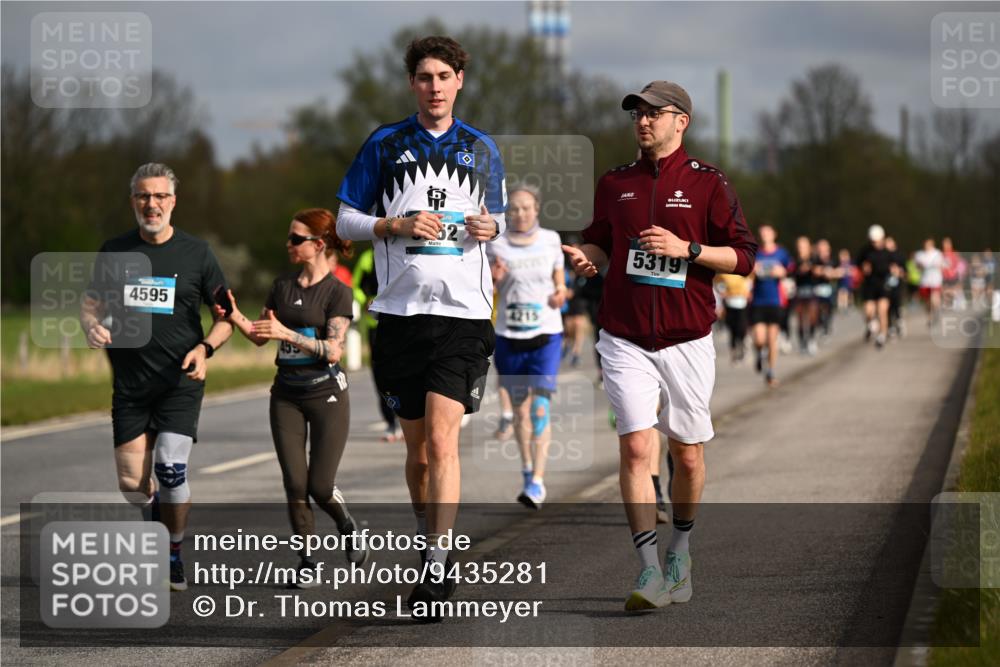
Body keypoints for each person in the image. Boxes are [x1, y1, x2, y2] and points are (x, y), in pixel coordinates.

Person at [563, 81, 757, 611]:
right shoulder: (615, 182)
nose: (643, 122)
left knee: (687, 455)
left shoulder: (708, 183)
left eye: (654, 113)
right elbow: (601, 241)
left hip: (686, 338)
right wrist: (587, 256)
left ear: (681, 121)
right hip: (624, 336)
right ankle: (648, 568)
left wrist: (687, 249)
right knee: (635, 447)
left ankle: (680, 551)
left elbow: (743, 258)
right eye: (637, 115)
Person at [335, 35, 506, 619]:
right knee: (419, 456)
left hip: (463, 317)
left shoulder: (481, 147)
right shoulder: (385, 144)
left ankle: (436, 563)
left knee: (442, 440)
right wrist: (395, 224)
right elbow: (345, 222)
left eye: (444, 76)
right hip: (400, 317)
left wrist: (491, 228)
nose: (435, 87)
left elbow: (500, 219)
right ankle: (427, 535)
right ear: (413, 83)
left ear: (460, 81)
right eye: (425, 77)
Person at [81, 162, 233, 591]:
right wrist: (91, 326)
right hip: (131, 387)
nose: (152, 204)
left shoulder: (197, 253)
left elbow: (226, 318)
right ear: (133, 201)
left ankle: (172, 555)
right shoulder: (114, 251)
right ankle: (157, 522)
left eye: (160, 196)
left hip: (179, 382)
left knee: (169, 468)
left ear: (173, 201)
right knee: (133, 485)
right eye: (144, 196)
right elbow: (91, 304)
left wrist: (205, 349)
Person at [216, 208, 367, 583]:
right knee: (295, 485)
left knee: (320, 486)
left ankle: (347, 526)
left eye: (296, 239)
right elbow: (260, 335)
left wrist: (288, 334)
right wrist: (234, 315)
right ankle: (308, 562)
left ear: (319, 244)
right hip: (285, 395)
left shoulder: (338, 292)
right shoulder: (281, 286)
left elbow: (334, 351)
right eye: (289, 237)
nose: (289, 244)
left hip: (327, 394)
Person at [487, 184, 566, 509]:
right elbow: (485, 287)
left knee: (539, 409)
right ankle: (527, 470)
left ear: (536, 209)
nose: (520, 214)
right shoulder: (496, 243)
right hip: (509, 336)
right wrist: (494, 278)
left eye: (526, 208)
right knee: (520, 411)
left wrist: (560, 292)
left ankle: (538, 482)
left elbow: (559, 277)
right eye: (514, 209)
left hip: (546, 334)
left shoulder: (551, 239)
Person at [352, 247, 402, 442]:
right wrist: (365, 300)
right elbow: (355, 285)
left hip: (404, 322)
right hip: (376, 325)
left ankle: (408, 418)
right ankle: (391, 421)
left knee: (405, 371)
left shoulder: (405, 249)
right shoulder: (367, 258)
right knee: (381, 374)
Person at [750, 225, 792, 386]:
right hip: (758, 300)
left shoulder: (781, 253)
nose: (765, 235)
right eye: (762, 233)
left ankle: (771, 371)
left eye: (767, 232)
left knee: (772, 339)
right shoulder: (756, 253)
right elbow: (746, 271)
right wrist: (753, 270)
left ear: (774, 234)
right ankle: (760, 353)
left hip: (775, 300)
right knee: (760, 338)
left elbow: (790, 270)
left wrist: (782, 272)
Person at [857, 224, 898, 348]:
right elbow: (858, 264)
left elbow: (896, 267)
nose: (875, 244)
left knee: (882, 310)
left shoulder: (888, 253)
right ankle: (871, 324)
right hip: (870, 284)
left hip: (883, 285)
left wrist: (894, 271)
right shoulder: (865, 251)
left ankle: (882, 335)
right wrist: (863, 268)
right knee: (868, 311)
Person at [791, 236, 819, 355]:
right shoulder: (795, 260)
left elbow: (820, 271)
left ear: (809, 246)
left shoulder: (814, 259)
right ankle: (802, 342)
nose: (801, 248)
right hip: (799, 292)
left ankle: (811, 338)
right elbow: (790, 273)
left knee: (813, 316)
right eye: (799, 246)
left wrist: (814, 270)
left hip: (812, 291)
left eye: (804, 245)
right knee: (801, 318)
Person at [714, 272, 751, 364]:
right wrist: (720, 299)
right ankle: (734, 353)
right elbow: (717, 284)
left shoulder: (744, 272)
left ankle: (742, 347)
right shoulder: (725, 273)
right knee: (732, 330)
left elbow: (750, 282)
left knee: (741, 329)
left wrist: (748, 292)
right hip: (730, 305)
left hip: (742, 305)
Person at [915, 237, 943, 329]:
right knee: (927, 302)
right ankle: (930, 318)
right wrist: (920, 266)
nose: (927, 246)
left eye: (929, 244)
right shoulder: (919, 254)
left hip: (935, 281)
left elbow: (941, 265)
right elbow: (917, 266)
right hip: (925, 281)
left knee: (934, 299)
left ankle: (937, 311)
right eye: (925, 244)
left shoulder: (937, 253)